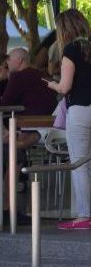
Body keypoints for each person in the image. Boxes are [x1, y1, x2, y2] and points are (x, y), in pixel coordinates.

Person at [48, 9, 91, 231]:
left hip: (82, 109)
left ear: (64, 29)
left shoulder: (71, 50)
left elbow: (65, 87)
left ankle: (84, 216)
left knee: (79, 164)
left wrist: (52, 85)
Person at [0, 47, 53, 227]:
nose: (6, 63)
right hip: (48, 128)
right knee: (14, 153)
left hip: (27, 127)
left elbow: (5, 103)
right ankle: (8, 208)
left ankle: (8, 208)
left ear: (20, 61)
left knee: (12, 153)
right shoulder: (42, 75)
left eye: (9, 59)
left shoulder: (18, 77)